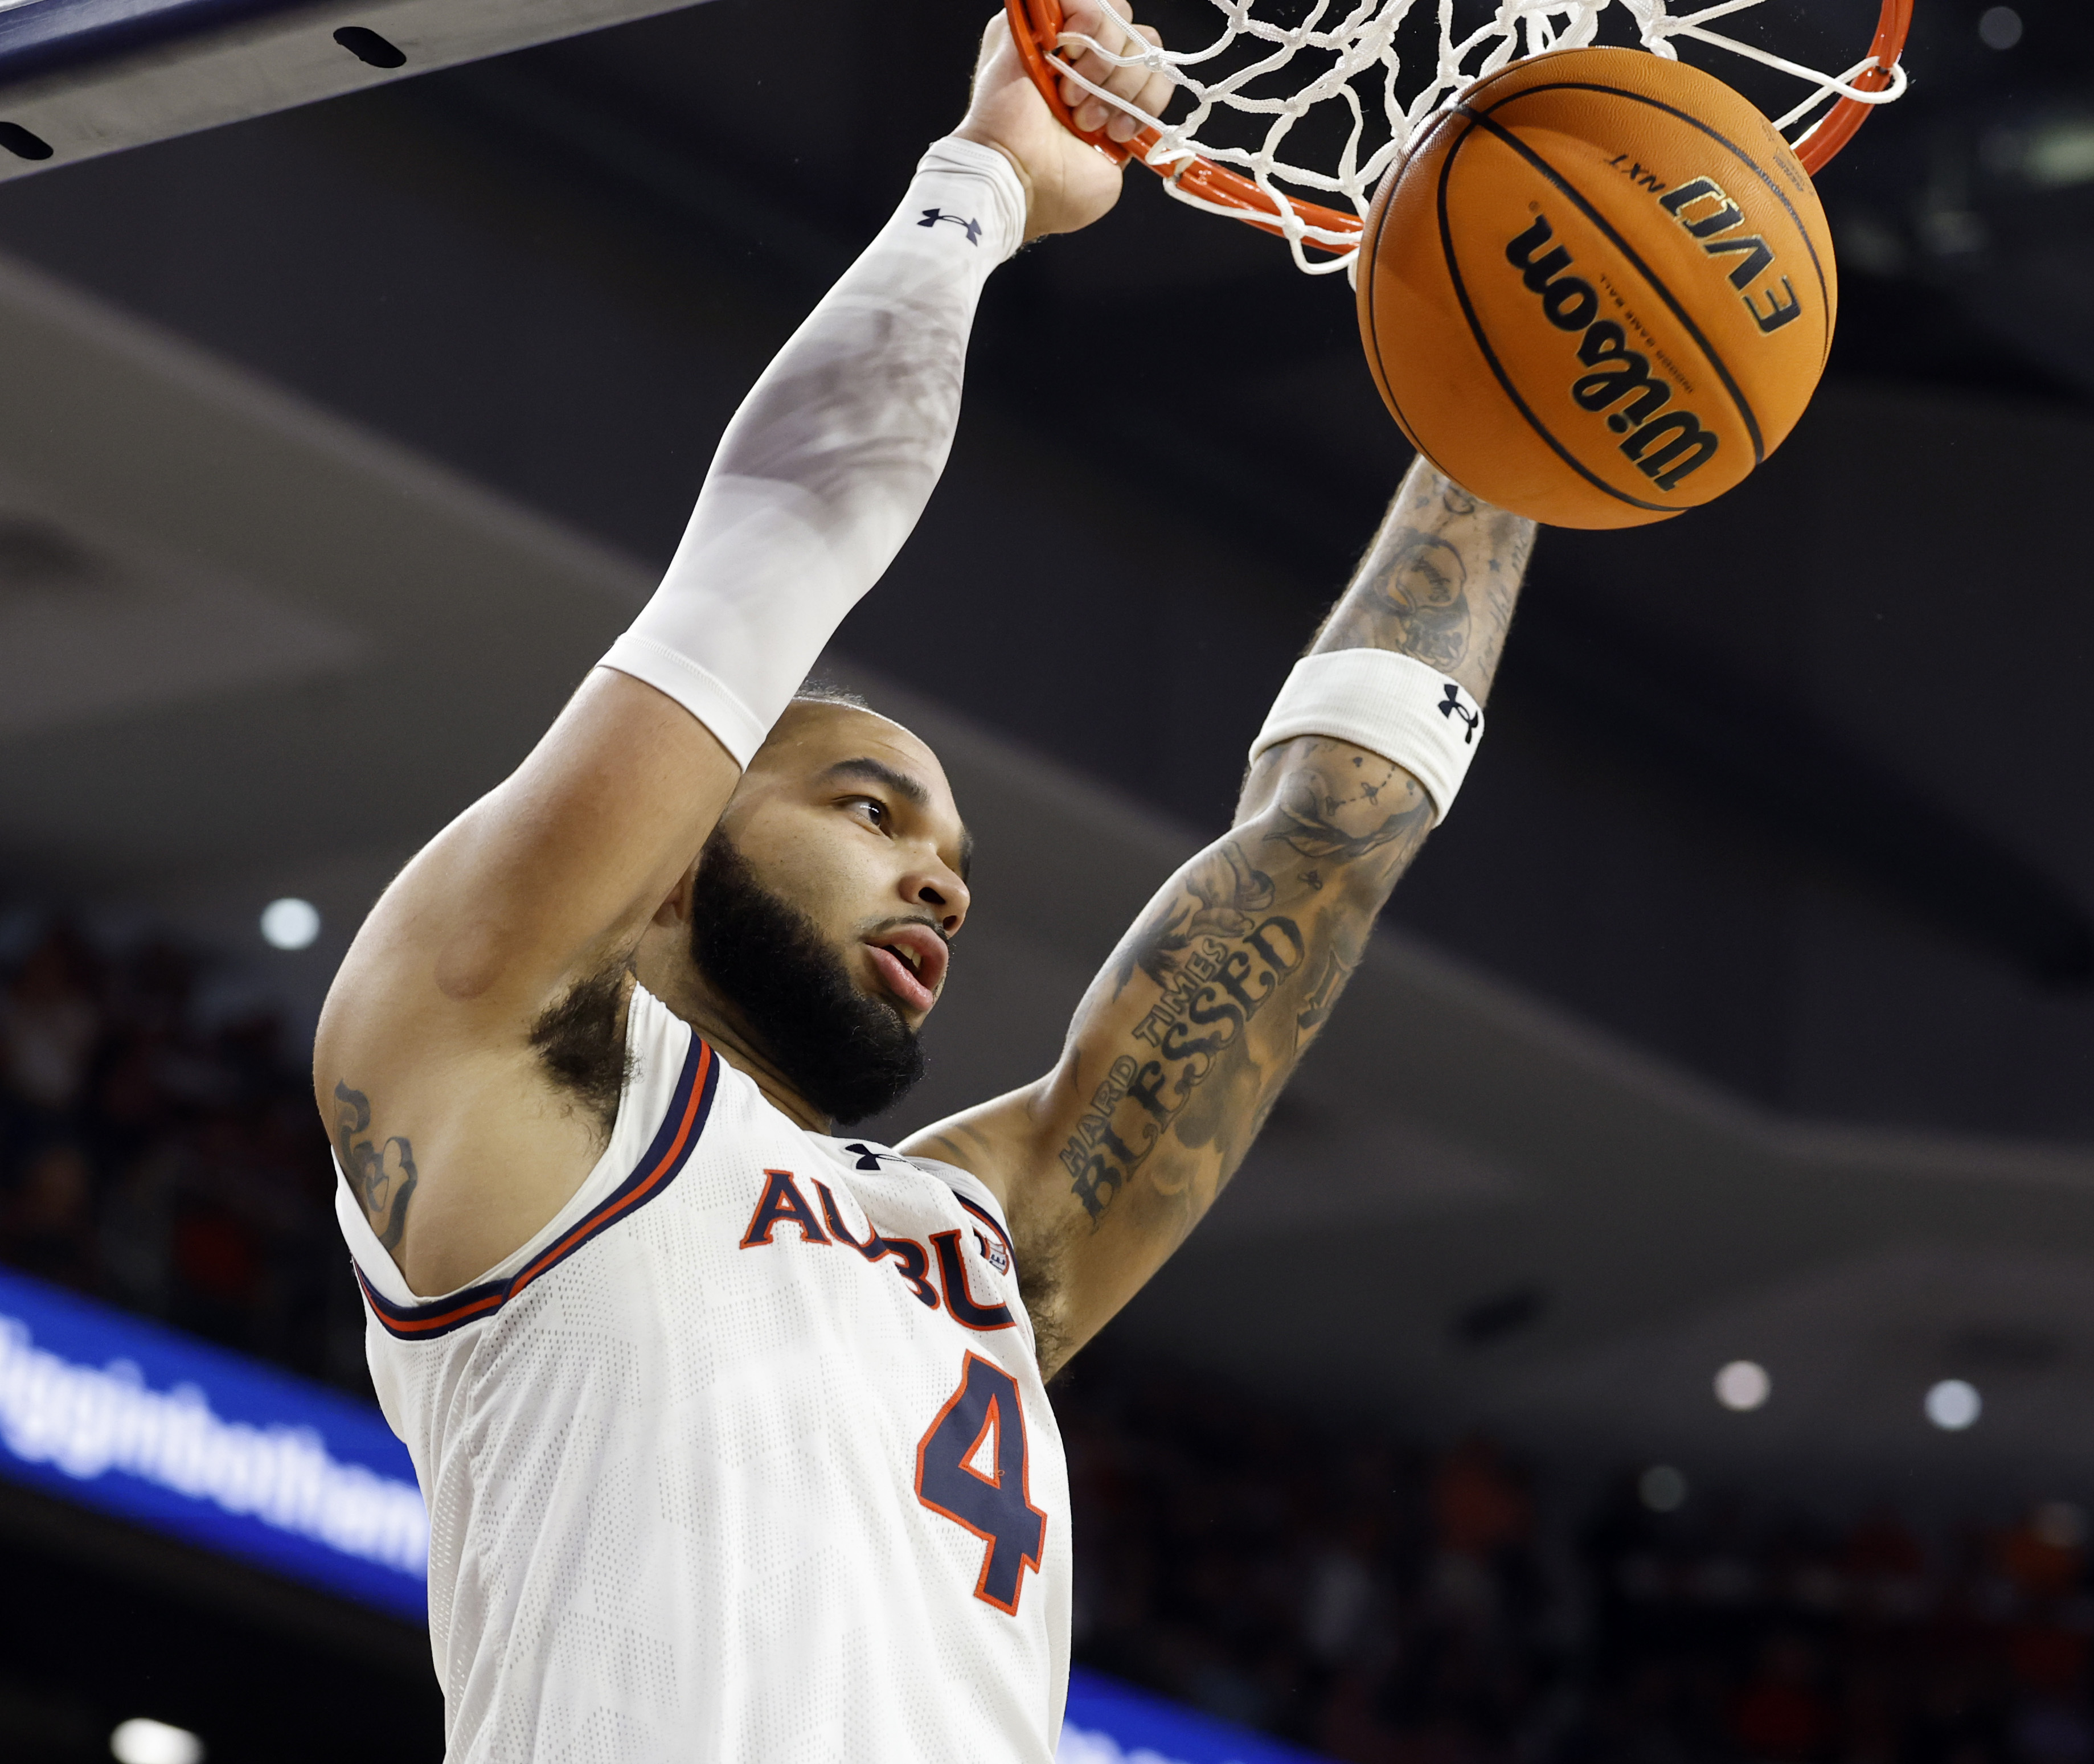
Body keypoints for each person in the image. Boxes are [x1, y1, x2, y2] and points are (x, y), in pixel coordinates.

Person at [314, 5, 1535, 1758]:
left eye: (953, 856)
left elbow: (1321, 846)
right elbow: (782, 533)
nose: (943, 883)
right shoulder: (505, 1060)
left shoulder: (975, 1240)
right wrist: (980, 189)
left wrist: (1499, 433)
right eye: (873, 811)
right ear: (668, 855)